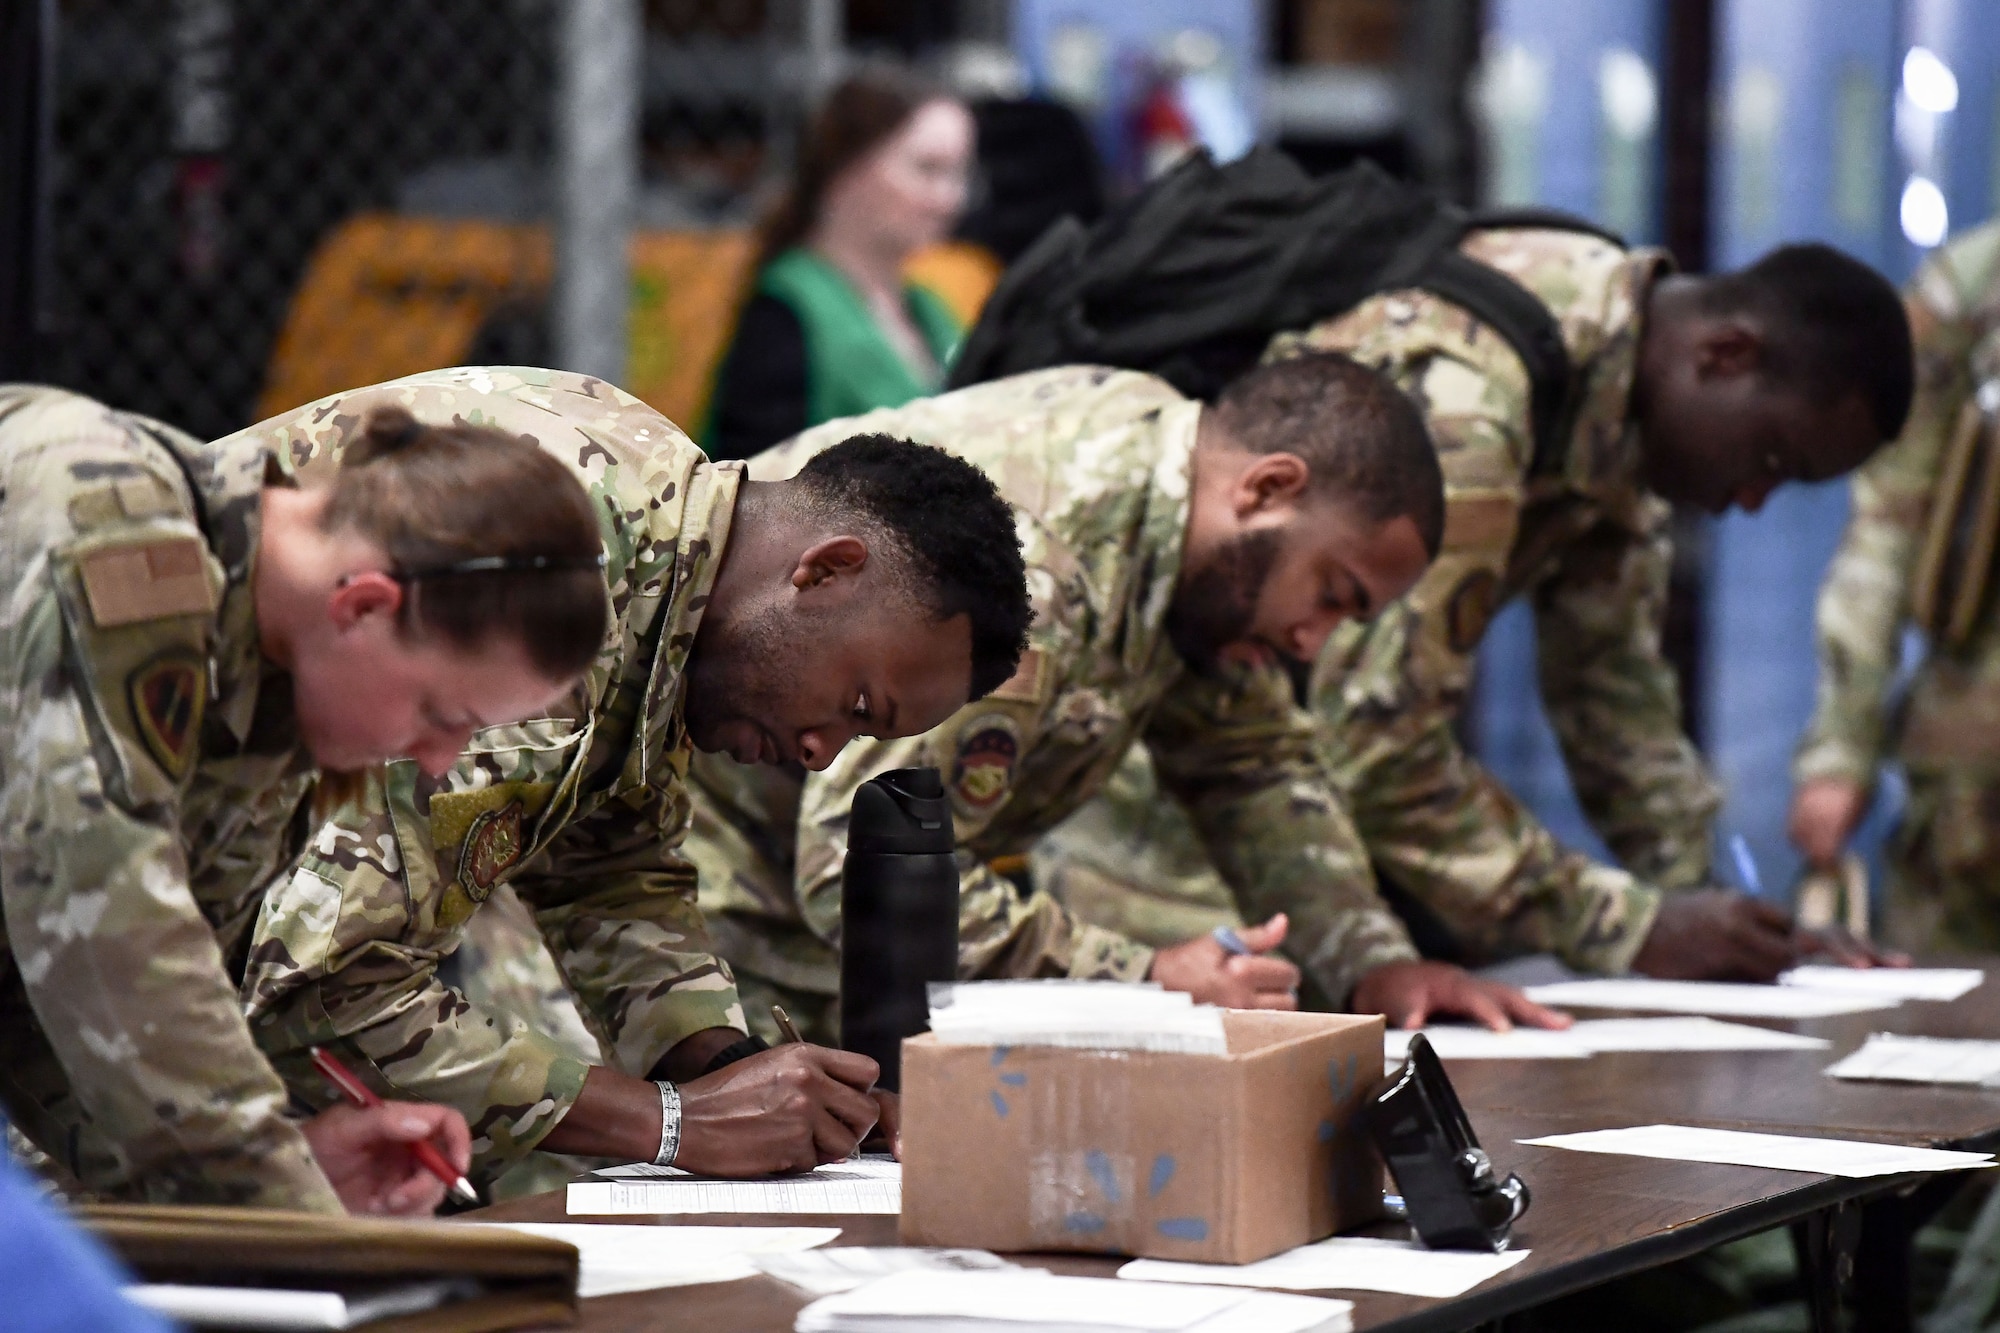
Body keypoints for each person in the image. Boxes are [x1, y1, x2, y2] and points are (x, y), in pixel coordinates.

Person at [1039, 234, 1915, 987]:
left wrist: (1733, 925)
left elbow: (1619, 709)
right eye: (1770, 456)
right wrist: (1628, 924)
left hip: (1305, 848)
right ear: (1725, 354)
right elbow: (1380, 745)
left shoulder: (1617, 411)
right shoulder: (1471, 398)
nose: (1753, 498)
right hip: (1183, 845)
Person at [240, 366, 1032, 1186]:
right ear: (824, 569)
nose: (820, 753)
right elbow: (327, 991)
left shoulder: (670, 558)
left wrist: (746, 1079)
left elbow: (609, 868)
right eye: (856, 703)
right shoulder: (552, 568)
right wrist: (675, 1124)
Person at [689, 353, 1570, 1044]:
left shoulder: (1194, 544)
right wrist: (1143, 980)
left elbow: (1252, 767)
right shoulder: (1046, 570)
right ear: (1267, 488)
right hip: (693, 908)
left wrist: (1376, 965)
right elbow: (858, 868)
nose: (1315, 640)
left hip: (796, 940)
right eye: (1331, 591)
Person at [0, 383, 584, 1212]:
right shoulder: (112, 523)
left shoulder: (275, 685)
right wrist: (287, 1209)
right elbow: (104, 927)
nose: (438, 759)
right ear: (364, 605)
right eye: (440, 713)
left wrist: (288, 1162)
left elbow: (44, 1012)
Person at [1791, 220, 2000, 952]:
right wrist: (1840, 750)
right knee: (1943, 1037)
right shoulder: (1975, 288)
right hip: (1976, 765)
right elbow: (1889, 524)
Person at [705, 65, 975, 460]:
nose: (951, 198)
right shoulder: (787, 311)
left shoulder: (929, 309)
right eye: (927, 169)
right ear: (847, 167)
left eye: (960, 173)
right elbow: (746, 481)